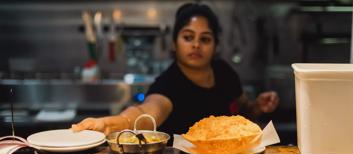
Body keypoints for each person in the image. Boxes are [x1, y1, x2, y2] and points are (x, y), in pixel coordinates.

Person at [72, 2, 279, 136]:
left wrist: (257, 106)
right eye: (188, 37)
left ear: (215, 46)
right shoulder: (168, 83)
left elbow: (243, 109)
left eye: (205, 39)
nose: (196, 45)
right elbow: (146, 113)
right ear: (174, 43)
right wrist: (109, 124)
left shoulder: (224, 71)